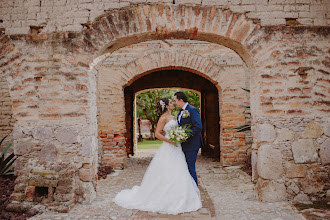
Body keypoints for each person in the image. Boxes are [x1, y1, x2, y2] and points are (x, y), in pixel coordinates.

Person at [113, 98, 202, 214]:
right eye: (171, 103)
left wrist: (178, 136)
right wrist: (170, 141)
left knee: (180, 170)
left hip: (177, 148)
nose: (173, 104)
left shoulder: (174, 116)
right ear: (166, 106)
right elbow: (157, 134)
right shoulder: (163, 118)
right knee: (167, 170)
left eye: (173, 101)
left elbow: (175, 129)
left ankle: (181, 195)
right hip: (169, 146)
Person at [173, 91, 203, 186]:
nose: (174, 103)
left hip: (192, 144)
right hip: (183, 145)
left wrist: (185, 134)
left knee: (190, 168)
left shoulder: (192, 110)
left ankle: (195, 190)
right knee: (185, 168)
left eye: (175, 100)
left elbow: (198, 126)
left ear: (181, 100)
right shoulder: (180, 113)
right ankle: (188, 189)